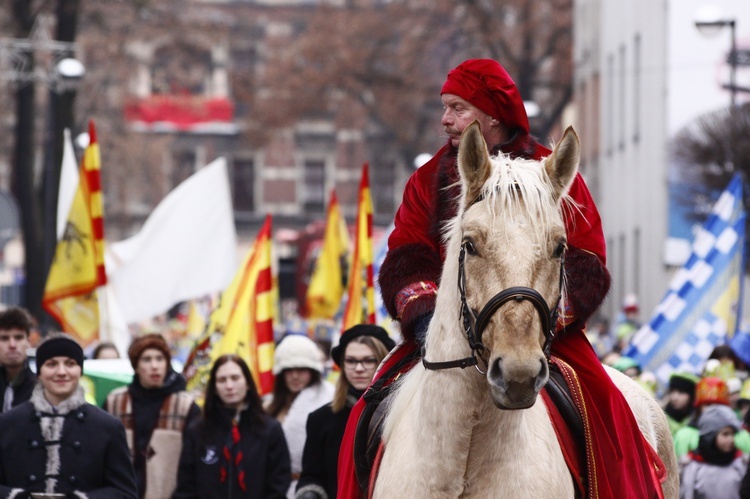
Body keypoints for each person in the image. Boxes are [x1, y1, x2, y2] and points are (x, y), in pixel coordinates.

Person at [338, 58, 661, 498]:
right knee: (363, 416)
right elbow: (407, 255)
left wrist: (535, 320)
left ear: (491, 115)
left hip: (542, 334)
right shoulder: (428, 180)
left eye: (458, 108)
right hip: (444, 333)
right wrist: (430, 319)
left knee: (610, 415)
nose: (445, 120)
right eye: (445, 108)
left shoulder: (553, 173)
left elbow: (586, 259)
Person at [0, 333, 137, 497]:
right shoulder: (8, 424)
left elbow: (125, 492)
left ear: (80, 370)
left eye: (70, 364)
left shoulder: (108, 427)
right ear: (39, 372)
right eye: (51, 364)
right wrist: (17, 496)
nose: (61, 372)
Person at [296, 325, 395, 499]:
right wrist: (310, 493)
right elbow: (312, 476)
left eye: (368, 360)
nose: (358, 368)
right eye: (351, 361)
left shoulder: (398, 414)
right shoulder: (320, 419)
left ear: (382, 362)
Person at [174, 354, 291, 498]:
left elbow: (278, 484)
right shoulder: (197, 431)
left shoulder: (269, 430)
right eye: (222, 380)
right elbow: (186, 486)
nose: (229, 386)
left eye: (235, 378)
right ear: (214, 387)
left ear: (247, 383)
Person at [105, 333, 200, 499]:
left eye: (160, 359)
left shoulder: (185, 406)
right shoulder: (115, 402)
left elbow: (194, 462)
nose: (154, 366)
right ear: (136, 366)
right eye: (147, 359)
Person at [265, 334, 334, 499]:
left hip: (316, 489)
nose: (295, 376)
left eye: (301, 369)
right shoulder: (269, 404)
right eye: (289, 370)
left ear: (312, 370)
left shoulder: (330, 400)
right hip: (273, 488)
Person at [680, 404, 746, 499]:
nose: (731, 439)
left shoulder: (740, 464)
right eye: (725, 434)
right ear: (710, 436)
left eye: (732, 434)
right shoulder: (693, 467)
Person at [0, 307, 36, 413]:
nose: (12, 345)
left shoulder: (41, 389)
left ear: (28, 342)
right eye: (4, 338)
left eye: (18, 338)